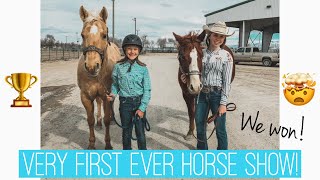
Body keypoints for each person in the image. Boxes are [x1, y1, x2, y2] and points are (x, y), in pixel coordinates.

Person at [184, 21, 234, 150]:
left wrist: (223, 104)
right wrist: (186, 77)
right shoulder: (201, 53)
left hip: (217, 95)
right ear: (209, 35)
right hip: (201, 95)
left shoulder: (226, 56)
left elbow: (227, 82)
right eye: (215, 35)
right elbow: (195, 71)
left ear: (224, 39)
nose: (218, 39)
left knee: (220, 130)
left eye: (221, 36)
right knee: (200, 128)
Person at [107, 34, 151, 150]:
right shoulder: (118, 67)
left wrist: (142, 108)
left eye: (135, 49)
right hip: (125, 104)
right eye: (129, 49)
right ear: (125, 50)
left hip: (139, 103)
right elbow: (116, 84)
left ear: (139, 51)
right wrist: (113, 95)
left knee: (140, 134)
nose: (132, 52)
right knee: (126, 134)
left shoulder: (143, 69)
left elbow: (147, 90)